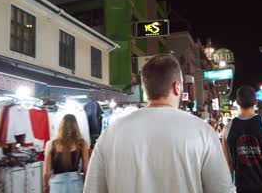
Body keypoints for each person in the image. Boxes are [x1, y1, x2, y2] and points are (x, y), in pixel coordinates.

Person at [84, 54, 235, 193]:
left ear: (145, 88)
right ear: (177, 87)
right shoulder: (203, 132)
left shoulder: (111, 134)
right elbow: (221, 189)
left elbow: (92, 189)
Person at [43, 114, 89, 193]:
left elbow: (46, 173)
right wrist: (87, 185)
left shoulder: (51, 144)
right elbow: (86, 169)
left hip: (57, 184)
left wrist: (45, 186)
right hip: (76, 182)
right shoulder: (81, 143)